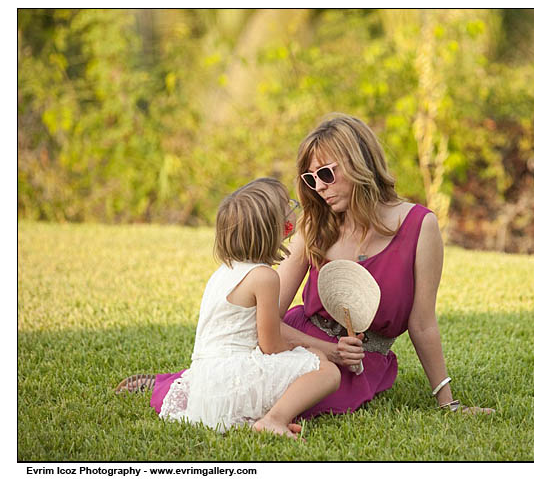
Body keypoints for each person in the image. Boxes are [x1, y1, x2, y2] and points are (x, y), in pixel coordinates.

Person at [119, 113, 493, 417]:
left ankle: (188, 385)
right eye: (311, 180)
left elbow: (422, 323)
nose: (320, 188)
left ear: (359, 163)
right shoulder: (316, 224)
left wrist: (449, 402)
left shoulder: (420, 226)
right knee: (251, 397)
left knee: (315, 400)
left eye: (327, 174)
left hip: (361, 361)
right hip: (299, 342)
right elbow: (268, 319)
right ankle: (176, 384)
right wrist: (323, 349)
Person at [136, 178, 341, 438]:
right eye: (287, 206)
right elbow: (271, 346)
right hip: (233, 377)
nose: (294, 209)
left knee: (312, 361)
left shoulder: (223, 273)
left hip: (205, 385)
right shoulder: (264, 277)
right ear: (274, 228)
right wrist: (306, 350)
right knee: (326, 370)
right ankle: (274, 420)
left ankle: (255, 416)